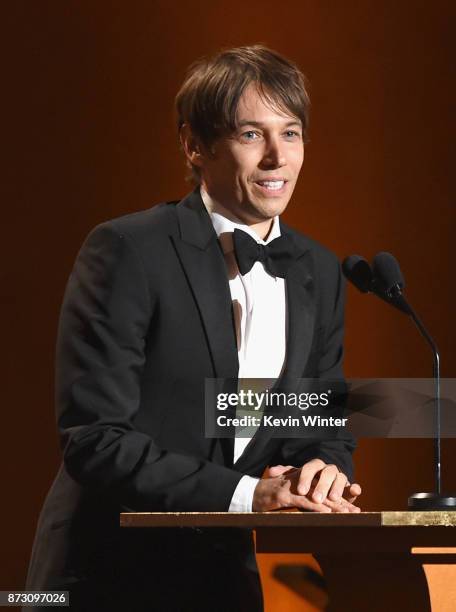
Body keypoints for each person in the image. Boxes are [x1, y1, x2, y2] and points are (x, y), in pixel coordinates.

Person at [25, 45, 361, 611]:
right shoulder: (129, 250)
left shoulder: (319, 271)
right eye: (252, 134)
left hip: (225, 583)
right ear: (194, 144)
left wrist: (324, 469)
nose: (278, 157)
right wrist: (249, 495)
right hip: (105, 578)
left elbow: (315, 421)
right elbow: (95, 439)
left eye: (292, 132)